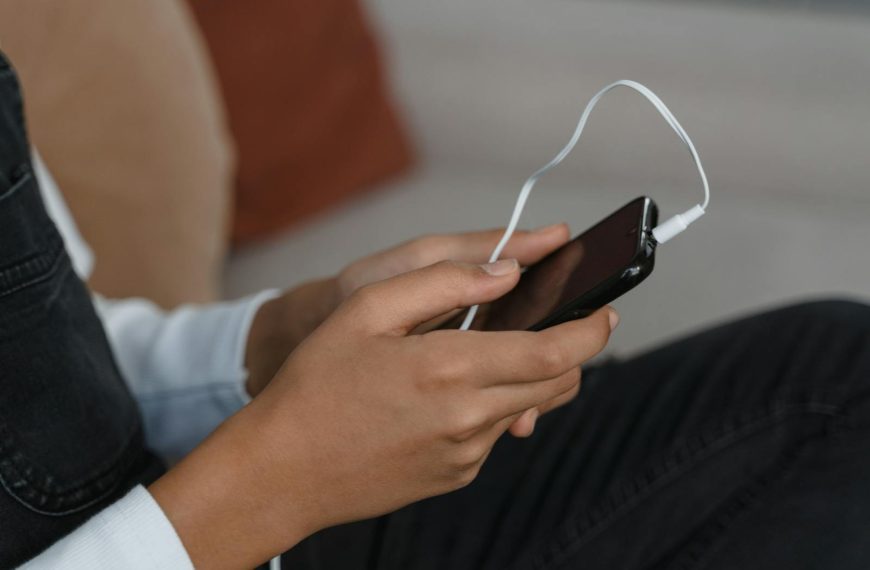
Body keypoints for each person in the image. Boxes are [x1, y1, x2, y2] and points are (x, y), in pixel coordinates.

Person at [2, 52, 869, 570]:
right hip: (216, 524)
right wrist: (275, 483)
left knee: (835, 378)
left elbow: (53, 351)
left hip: (203, 511)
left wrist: (280, 340)